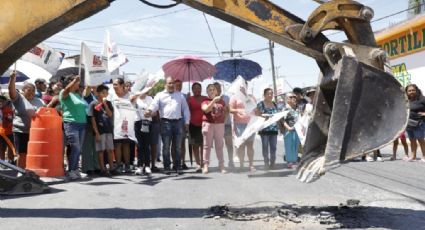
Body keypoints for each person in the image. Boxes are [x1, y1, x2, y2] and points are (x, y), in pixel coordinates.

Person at [145, 77, 190, 173]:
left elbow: (185, 109)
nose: (171, 85)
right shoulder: (159, 95)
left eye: (173, 83)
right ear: (165, 84)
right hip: (165, 123)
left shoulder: (180, 95)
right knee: (166, 146)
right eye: (169, 83)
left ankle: (177, 166)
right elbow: (154, 106)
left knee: (177, 146)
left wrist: (187, 122)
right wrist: (149, 111)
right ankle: (166, 166)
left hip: (178, 122)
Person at [8, 71, 45, 169]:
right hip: (21, 131)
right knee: (22, 154)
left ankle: (29, 173)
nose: (31, 93)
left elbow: (45, 113)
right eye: (29, 90)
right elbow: (11, 91)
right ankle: (20, 173)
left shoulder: (39, 101)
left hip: (35, 132)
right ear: (23, 91)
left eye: (33, 91)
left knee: (33, 154)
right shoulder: (18, 98)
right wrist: (12, 79)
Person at [59, 75, 88, 179]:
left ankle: (75, 170)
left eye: (77, 82)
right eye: (75, 82)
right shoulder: (64, 92)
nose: (77, 84)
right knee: (75, 147)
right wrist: (74, 80)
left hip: (82, 124)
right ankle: (71, 170)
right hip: (71, 123)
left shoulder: (77, 95)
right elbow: (67, 89)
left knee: (78, 149)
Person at [88, 85, 115, 176]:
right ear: (98, 93)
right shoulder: (93, 104)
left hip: (108, 129)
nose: (105, 94)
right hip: (100, 130)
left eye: (106, 93)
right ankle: (102, 169)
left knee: (110, 150)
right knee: (101, 150)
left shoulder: (109, 103)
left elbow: (110, 115)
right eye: (103, 92)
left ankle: (111, 168)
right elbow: (92, 119)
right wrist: (96, 133)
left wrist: (105, 104)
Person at [110, 78, 135, 173]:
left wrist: (133, 100)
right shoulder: (111, 95)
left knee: (126, 144)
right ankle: (119, 165)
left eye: (116, 84)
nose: (114, 86)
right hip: (115, 123)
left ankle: (127, 165)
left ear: (121, 85)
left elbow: (133, 105)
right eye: (113, 84)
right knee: (117, 145)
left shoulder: (129, 95)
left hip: (126, 123)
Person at [201, 84, 227, 174]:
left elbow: (226, 111)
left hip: (219, 125)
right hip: (208, 124)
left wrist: (224, 120)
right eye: (210, 90)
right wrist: (213, 101)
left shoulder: (222, 101)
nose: (212, 91)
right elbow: (206, 110)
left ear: (216, 91)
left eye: (213, 90)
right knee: (207, 146)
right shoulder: (205, 101)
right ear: (207, 92)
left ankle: (221, 165)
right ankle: (206, 165)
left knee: (219, 146)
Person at [229, 86, 256, 172]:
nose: (242, 87)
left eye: (244, 85)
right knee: (241, 145)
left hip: (251, 123)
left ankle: (251, 165)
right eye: (240, 86)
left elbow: (255, 108)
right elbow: (230, 109)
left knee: (250, 145)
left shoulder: (251, 96)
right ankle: (241, 164)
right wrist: (238, 110)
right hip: (239, 124)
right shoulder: (234, 97)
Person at [255, 88, 279, 169]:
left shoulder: (274, 104)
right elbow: (257, 115)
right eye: (268, 94)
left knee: (274, 147)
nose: (270, 95)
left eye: (271, 94)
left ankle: (273, 163)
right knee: (265, 146)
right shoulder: (260, 104)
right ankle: (266, 162)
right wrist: (264, 116)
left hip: (274, 129)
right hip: (264, 129)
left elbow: (277, 115)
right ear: (264, 95)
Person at [214, 82, 235, 168]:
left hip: (226, 124)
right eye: (215, 88)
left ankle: (231, 161)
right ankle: (220, 162)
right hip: (216, 126)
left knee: (229, 144)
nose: (218, 90)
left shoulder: (226, 98)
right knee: (219, 145)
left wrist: (226, 110)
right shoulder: (211, 99)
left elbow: (229, 109)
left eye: (219, 88)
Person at [188, 82, 206, 172]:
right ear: (192, 90)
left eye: (198, 88)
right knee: (195, 145)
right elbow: (186, 111)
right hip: (193, 125)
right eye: (195, 88)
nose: (197, 90)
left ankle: (203, 163)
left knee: (203, 145)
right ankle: (198, 164)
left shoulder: (205, 98)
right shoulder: (189, 99)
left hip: (204, 124)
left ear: (201, 89)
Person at [134, 92, 154, 175]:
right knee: (139, 145)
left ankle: (147, 165)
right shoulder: (135, 98)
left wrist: (149, 113)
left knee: (146, 145)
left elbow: (155, 111)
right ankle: (140, 166)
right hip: (137, 122)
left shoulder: (150, 99)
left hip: (147, 122)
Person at [405, 84, 425, 162]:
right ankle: (413, 156)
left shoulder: (422, 99)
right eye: (409, 91)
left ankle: (424, 156)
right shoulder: (406, 100)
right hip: (409, 124)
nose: (411, 92)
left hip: (419, 123)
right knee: (412, 140)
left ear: (416, 90)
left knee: (420, 140)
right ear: (406, 92)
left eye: (413, 90)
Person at [172, 79, 189, 169]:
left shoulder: (185, 95)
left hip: (182, 121)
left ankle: (183, 161)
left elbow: (187, 109)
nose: (179, 87)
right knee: (174, 143)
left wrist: (187, 122)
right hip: (173, 121)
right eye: (177, 85)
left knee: (182, 143)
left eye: (180, 85)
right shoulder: (171, 95)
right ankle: (174, 162)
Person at [282, 93, 300, 169]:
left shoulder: (297, 108)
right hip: (289, 129)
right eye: (291, 97)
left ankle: (295, 160)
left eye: (295, 97)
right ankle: (289, 161)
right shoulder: (285, 108)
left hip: (297, 130)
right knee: (289, 145)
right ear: (287, 99)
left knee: (296, 145)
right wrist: (288, 127)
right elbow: (282, 120)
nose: (294, 98)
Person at [0, 96, 14, 164]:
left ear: (5, 102)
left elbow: (10, 120)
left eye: (2, 101)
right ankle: (2, 161)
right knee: (1, 148)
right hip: (1, 132)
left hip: (9, 132)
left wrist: (7, 118)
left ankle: (10, 160)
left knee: (10, 147)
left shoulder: (8, 110)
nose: (0, 103)